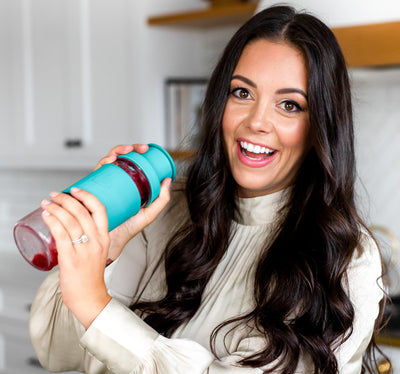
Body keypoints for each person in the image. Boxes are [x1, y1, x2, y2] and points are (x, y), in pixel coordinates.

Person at [29, 5, 386, 374]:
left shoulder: (345, 259)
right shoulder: (164, 210)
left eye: (289, 105)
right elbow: (57, 353)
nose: (257, 121)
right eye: (242, 93)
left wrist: (96, 307)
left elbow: (95, 316)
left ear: (321, 128)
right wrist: (106, 249)